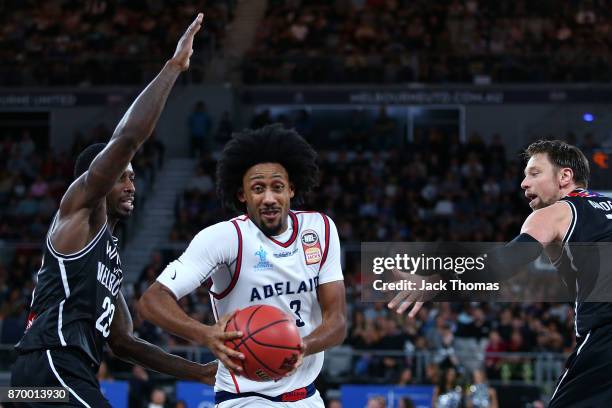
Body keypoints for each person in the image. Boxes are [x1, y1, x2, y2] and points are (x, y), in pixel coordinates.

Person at [10, 13, 219, 407]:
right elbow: (126, 138)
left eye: (133, 177)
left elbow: (124, 343)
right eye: (122, 176)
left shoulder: (108, 256)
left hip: (49, 376)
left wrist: (198, 372)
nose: (131, 185)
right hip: (50, 366)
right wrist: (173, 68)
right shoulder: (79, 211)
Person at [390, 140, 612, 406]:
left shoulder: (556, 213)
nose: (524, 183)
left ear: (565, 176)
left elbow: (504, 262)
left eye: (534, 173)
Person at [139, 124, 347, 407]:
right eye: (258, 188)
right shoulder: (224, 238)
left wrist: (300, 347)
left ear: (291, 189)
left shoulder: (320, 229)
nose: (269, 198)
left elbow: (337, 322)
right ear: (242, 195)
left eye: (278, 187)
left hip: (307, 396)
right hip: (244, 397)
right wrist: (206, 334)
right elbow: (152, 300)